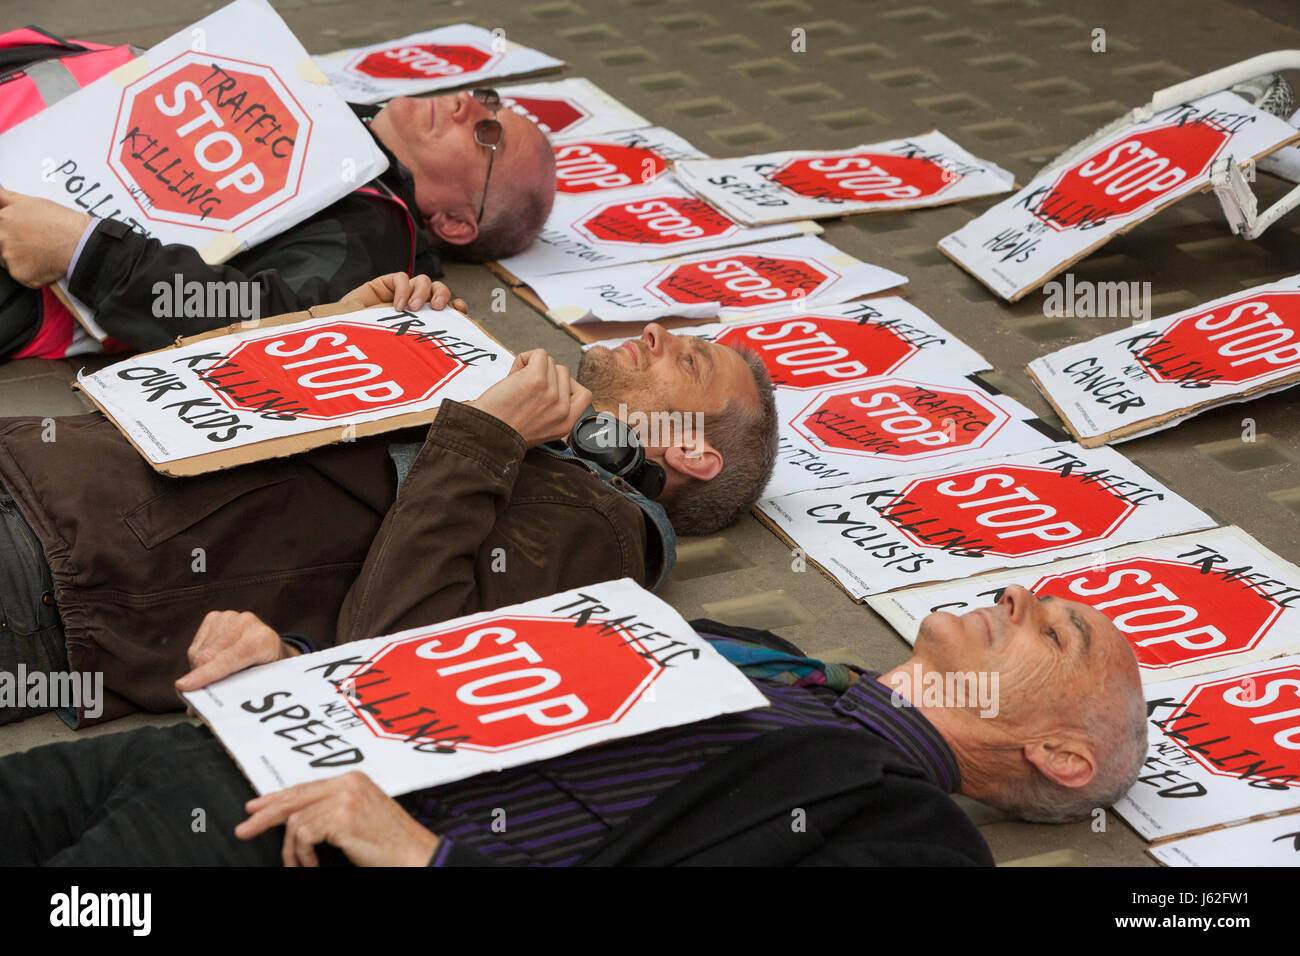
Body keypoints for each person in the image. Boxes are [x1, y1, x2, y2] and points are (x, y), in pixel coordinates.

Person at [0, 272, 779, 726]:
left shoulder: (605, 529)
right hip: (41, 464)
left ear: (690, 452)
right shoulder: (525, 423)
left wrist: (486, 434)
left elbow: (397, 657)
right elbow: (219, 409)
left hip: (53, 564)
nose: (655, 331)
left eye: (689, 359)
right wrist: (356, 322)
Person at [0, 584, 1148, 866]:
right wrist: (301, 666)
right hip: (229, 745)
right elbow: (479, 682)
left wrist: (432, 859)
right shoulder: (761, 650)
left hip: (286, 842)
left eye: (1053, 634)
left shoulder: (907, 837)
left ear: (1057, 754)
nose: (1014, 598)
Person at [0, 87, 556, 357]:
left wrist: (83, 250)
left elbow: (250, 317)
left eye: (489, 133)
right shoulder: (314, 101)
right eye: (489, 99)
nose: (466, 104)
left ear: (458, 222)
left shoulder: (374, 236)